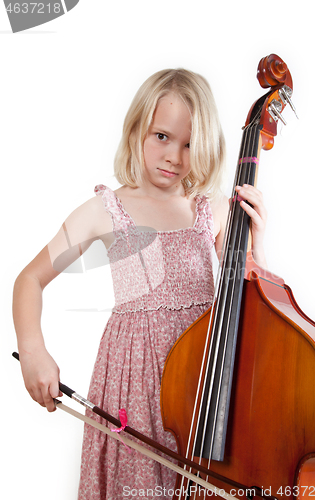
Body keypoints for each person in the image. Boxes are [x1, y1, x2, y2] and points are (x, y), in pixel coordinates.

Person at [12, 69, 267, 499]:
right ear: (136, 131)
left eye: (189, 144)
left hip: (202, 386)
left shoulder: (213, 210)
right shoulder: (106, 210)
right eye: (162, 137)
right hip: (134, 384)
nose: (174, 157)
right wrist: (33, 351)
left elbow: (247, 304)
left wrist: (253, 249)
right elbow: (29, 279)